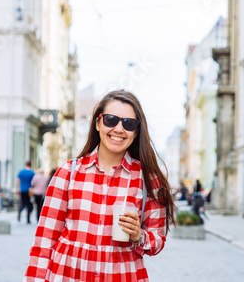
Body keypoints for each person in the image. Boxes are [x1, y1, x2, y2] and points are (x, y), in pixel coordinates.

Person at [24, 89, 176, 281]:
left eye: (129, 124)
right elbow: (45, 240)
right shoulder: (68, 174)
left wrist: (139, 235)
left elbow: (157, 241)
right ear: (97, 123)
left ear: (136, 132)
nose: (119, 129)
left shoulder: (149, 181)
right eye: (111, 120)